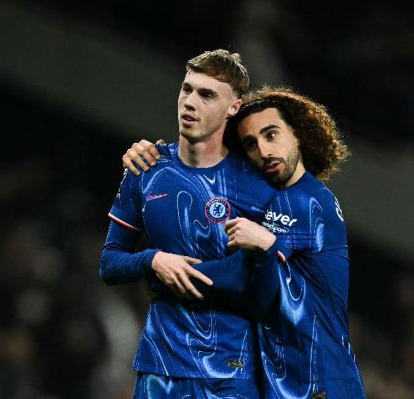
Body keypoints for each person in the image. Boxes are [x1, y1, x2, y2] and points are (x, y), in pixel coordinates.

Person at [122, 86, 366, 398]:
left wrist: (160, 273)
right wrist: (161, 158)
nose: (264, 151)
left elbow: (239, 274)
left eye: (271, 134)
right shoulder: (272, 201)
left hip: (318, 384)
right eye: (251, 144)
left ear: (298, 135)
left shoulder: (304, 202)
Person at [99, 49, 277, 398]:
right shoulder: (145, 170)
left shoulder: (256, 184)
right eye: (187, 89)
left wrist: (167, 278)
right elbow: (109, 262)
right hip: (160, 367)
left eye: (206, 94)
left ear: (233, 107)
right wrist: (152, 260)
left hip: (230, 372)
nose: (190, 102)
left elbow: (251, 277)